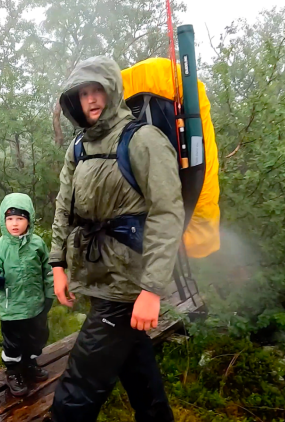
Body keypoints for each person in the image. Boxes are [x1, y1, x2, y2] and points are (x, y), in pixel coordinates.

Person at [48, 56, 184, 422]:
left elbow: (167, 213)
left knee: (76, 390)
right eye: (83, 93)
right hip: (96, 274)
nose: (91, 99)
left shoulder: (142, 140)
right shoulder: (78, 147)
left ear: (113, 91)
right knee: (138, 369)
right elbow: (64, 207)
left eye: (98, 90)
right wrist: (57, 264)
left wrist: (152, 289)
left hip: (127, 283)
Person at [0, 193, 55, 397]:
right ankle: (13, 372)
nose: (14, 224)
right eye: (10, 219)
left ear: (29, 220)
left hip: (35, 305)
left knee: (36, 337)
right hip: (12, 308)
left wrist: (49, 295)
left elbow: (48, 271)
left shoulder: (38, 244)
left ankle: (30, 364)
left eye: (20, 218)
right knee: (13, 343)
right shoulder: (1, 246)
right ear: (3, 220)